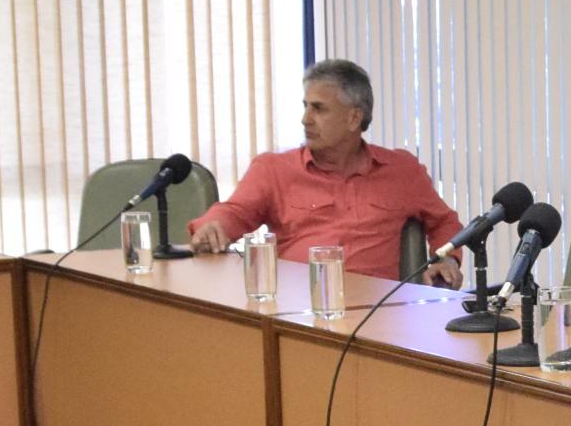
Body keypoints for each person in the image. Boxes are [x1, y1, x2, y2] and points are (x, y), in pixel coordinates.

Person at [185, 60, 462, 285]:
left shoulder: (401, 171)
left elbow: (445, 222)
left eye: (318, 109)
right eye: (305, 106)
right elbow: (235, 211)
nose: (305, 119)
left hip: (375, 316)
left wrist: (446, 259)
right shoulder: (274, 169)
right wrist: (214, 225)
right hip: (297, 311)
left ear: (354, 118)